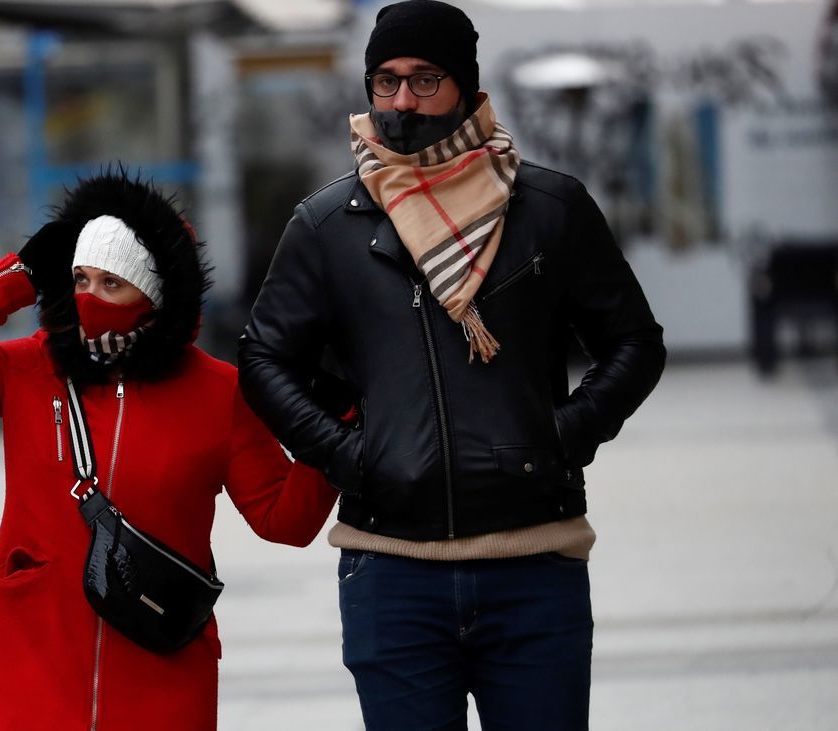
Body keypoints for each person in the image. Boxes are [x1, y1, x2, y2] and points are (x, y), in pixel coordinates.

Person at [237, 1, 667, 729]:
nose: (402, 100)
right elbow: (264, 355)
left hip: (536, 567)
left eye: (424, 79)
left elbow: (635, 343)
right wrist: (351, 453)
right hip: (391, 572)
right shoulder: (327, 226)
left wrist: (562, 434)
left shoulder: (549, 208)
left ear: (465, 86)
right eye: (385, 81)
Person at [0, 171, 338, 731]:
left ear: (154, 295)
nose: (89, 299)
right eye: (80, 279)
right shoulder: (32, 369)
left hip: (161, 667)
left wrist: (331, 425)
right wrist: (20, 275)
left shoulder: (218, 392)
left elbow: (286, 520)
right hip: (35, 668)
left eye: (112, 284)